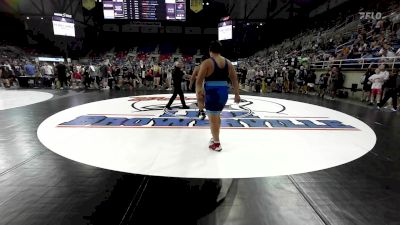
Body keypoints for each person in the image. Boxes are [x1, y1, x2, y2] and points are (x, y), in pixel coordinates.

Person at [196, 41, 240, 152]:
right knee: (217, 116)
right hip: (223, 93)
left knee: (212, 119)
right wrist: (237, 94)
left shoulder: (207, 63)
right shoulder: (228, 62)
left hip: (212, 92)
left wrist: (199, 91)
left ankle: (217, 144)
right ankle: (214, 138)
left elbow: (199, 81)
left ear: (210, 50)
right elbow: (234, 79)